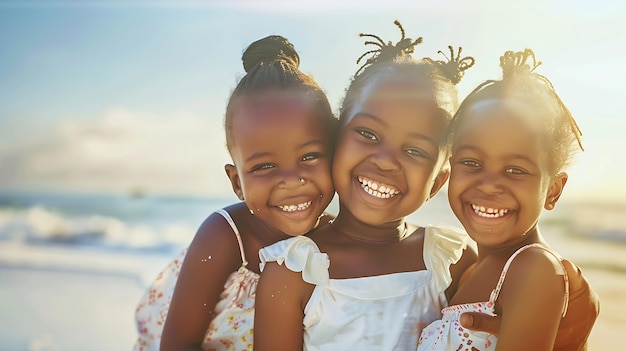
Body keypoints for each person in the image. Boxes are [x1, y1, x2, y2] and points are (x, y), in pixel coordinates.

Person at [253, 20, 477, 351]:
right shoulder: (294, 270)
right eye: (368, 134)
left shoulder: (451, 262)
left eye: (415, 151)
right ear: (334, 140)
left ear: (437, 182)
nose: (386, 160)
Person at [133, 35, 337, 351]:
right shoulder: (226, 236)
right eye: (265, 166)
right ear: (236, 182)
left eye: (309, 157)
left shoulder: (336, 236)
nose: (292, 180)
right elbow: (176, 345)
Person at [417, 48, 600, 351]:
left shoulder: (534, 268)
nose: (489, 185)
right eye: (471, 162)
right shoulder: (468, 270)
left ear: (553, 190)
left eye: (515, 170)